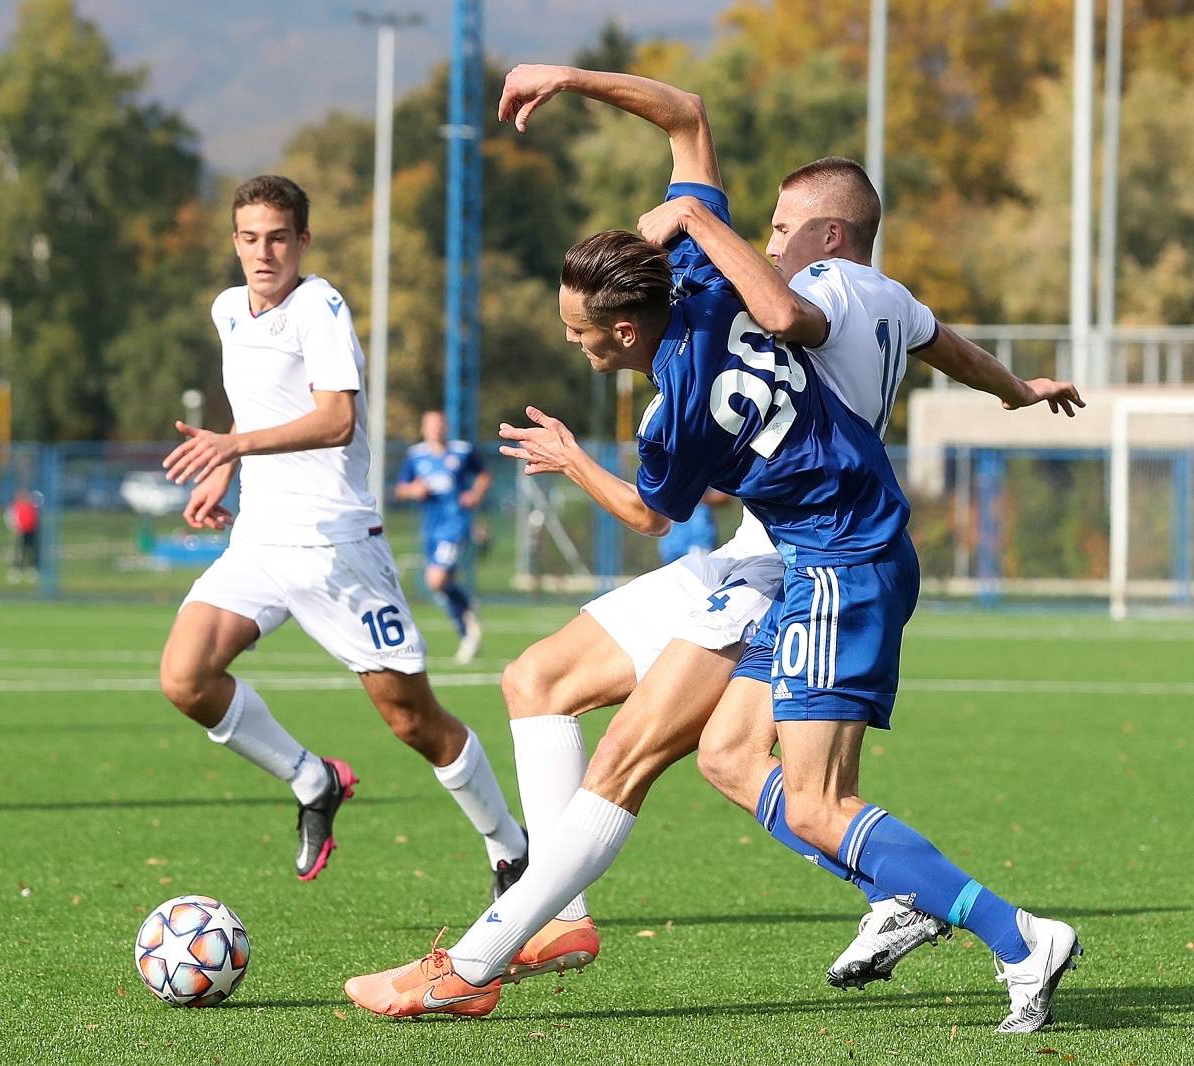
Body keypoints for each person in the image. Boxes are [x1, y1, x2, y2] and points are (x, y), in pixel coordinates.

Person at [347, 69, 1082, 1034]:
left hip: (812, 555)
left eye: (781, 227)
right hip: (794, 544)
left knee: (658, 763)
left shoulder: (777, 309)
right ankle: (850, 888)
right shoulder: (791, 289)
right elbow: (928, 339)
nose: (768, 242)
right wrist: (1013, 391)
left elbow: (751, 369)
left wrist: (576, 451)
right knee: (626, 718)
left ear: (827, 236)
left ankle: (484, 957)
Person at [157, 176, 527, 890]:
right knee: (186, 677)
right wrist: (223, 469)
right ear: (234, 241)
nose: (263, 253)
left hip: (337, 548)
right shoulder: (228, 310)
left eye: (278, 238)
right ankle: (313, 779)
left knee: (413, 721)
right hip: (261, 542)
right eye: (249, 238)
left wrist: (234, 450)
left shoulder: (318, 309)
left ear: (303, 240)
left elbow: (336, 420)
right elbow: (258, 406)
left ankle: (511, 848)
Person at [394, 410, 491, 663]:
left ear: (446, 427)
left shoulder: (461, 451)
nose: (436, 429)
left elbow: (483, 474)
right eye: (431, 425)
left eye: (440, 425)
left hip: (455, 524)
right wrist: (414, 490)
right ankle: (466, 620)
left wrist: (475, 494)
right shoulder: (416, 456)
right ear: (423, 429)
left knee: (436, 581)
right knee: (439, 583)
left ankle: (467, 617)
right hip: (431, 528)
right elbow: (401, 489)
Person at [6, 488, 40, 583]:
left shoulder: (31, 507)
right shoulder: (16, 506)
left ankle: (32, 569)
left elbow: (35, 518)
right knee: (19, 552)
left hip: (31, 531)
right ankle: (16, 570)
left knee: (31, 550)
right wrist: (14, 528)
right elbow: (10, 518)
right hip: (20, 532)